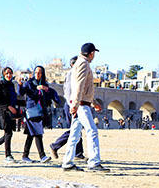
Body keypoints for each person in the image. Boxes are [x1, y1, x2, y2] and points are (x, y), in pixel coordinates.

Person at [61, 43, 108, 172]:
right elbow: (79, 86)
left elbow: (81, 87)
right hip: (81, 104)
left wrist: (91, 102)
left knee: (74, 134)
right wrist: (76, 104)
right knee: (92, 131)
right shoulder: (83, 64)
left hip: (80, 103)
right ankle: (94, 162)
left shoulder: (79, 63)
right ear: (91, 53)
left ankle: (67, 161)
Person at [20, 65, 58, 163]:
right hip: (32, 111)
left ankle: (25, 155)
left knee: (31, 134)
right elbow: (21, 93)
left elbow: (50, 96)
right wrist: (20, 84)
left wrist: (46, 89)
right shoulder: (29, 83)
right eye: (36, 72)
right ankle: (42, 156)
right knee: (38, 133)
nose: (37, 74)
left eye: (40, 72)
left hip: (40, 111)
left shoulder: (44, 84)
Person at [49, 57, 85, 160]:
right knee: (74, 129)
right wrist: (72, 105)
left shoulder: (77, 74)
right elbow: (68, 91)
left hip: (74, 105)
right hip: (71, 105)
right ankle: (55, 145)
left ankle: (78, 153)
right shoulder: (71, 74)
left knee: (77, 129)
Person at [0, 67, 20, 164]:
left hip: (10, 113)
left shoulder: (11, 85)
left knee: (9, 133)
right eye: (7, 73)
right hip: (3, 112)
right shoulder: (0, 85)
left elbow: (14, 99)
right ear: (3, 75)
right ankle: (8, 155)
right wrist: (8, 107)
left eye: (10, 73)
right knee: (8, 133)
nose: (9, 75)